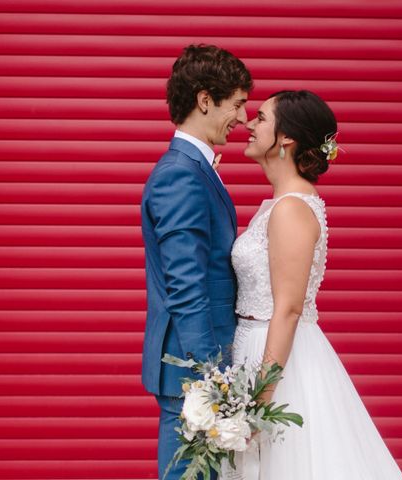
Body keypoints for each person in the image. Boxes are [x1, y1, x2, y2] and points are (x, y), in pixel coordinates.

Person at [221, 90, 402, 479]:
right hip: (254, 346)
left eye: (261, 118)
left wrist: (260, 402)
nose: (249, 125)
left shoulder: (291, 209)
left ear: (286, 138)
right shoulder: (280, 203)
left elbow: (287, 309)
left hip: (276, 359)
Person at [140, 44, 252, 480]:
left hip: (199, 370)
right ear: (205, 99)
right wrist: (215, 379)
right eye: (238, 104)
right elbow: (186, 285)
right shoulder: (181, 175)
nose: (244, 118)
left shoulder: (192, 168)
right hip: (194, 373)